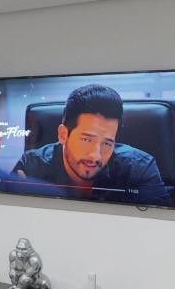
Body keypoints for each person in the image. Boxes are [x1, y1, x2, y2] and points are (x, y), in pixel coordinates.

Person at [12, 84, 166, 202]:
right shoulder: (31, 166)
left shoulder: (139, 169)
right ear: (63, 135)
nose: (95, 156)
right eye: (86, 140)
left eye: (107, 143)